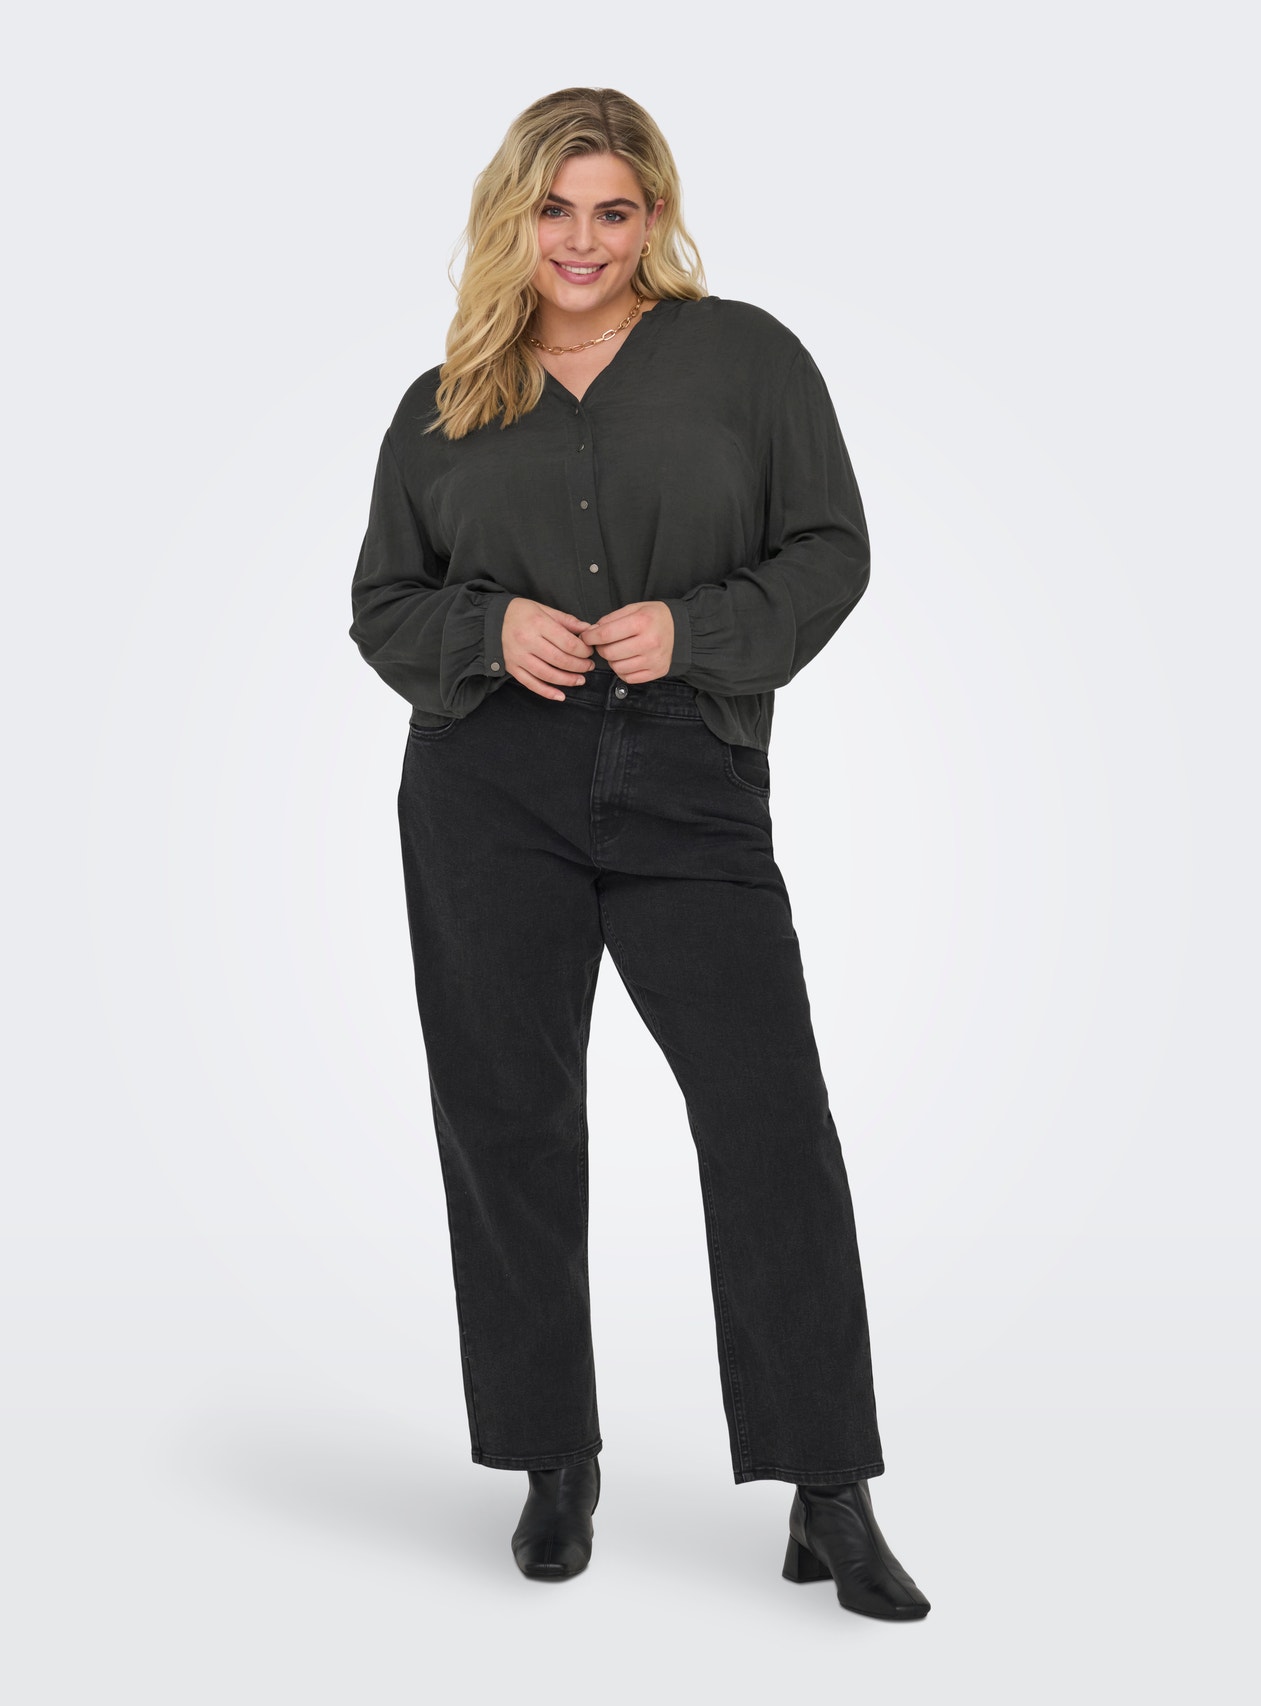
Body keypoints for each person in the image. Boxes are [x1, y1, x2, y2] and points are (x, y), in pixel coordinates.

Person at [349, 86, 930, 1622]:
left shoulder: (747, 360)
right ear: (514, 215)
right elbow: (383, 602)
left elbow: (831, 546)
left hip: (689, 774)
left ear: (654, 214)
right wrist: (489, 628)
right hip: (487, 785)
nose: (584, 240)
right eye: (555, 209)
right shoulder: (443, 401)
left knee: (768, 1118)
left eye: (614, 209)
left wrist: (697, 627)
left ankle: (829, 1489)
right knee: (509, 1119)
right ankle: (554, 1462)